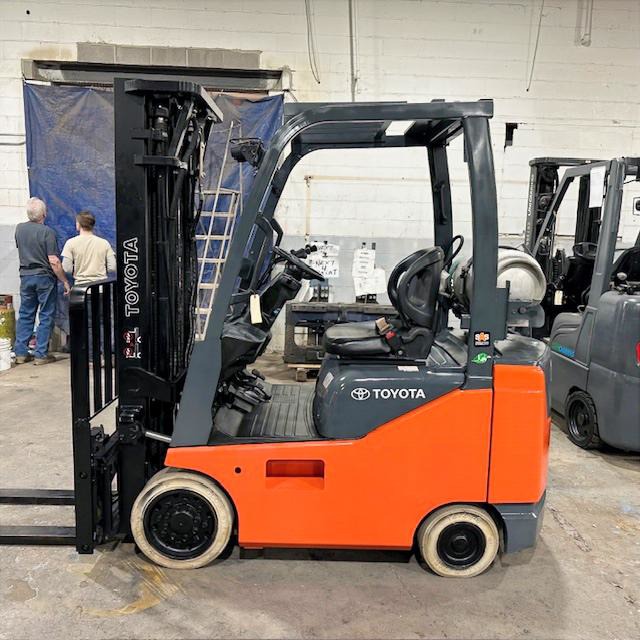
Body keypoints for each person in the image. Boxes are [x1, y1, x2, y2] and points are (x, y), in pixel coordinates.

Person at [14, 197, 70, 365]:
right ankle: (40, 354)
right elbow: (54, 261)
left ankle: (21, 353)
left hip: (25, 276)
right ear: (44, 214)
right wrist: (64, 280)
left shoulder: (19, 229)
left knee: (25, 314)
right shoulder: (47, 232)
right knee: (46, 315)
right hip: (44, 278)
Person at [61, 211, 116, 285]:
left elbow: (67, 268)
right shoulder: (104, 243)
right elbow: (112, 267)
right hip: (101, 287)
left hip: (81, 287)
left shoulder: (70, 243)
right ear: (93, 225)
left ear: (78, 224)